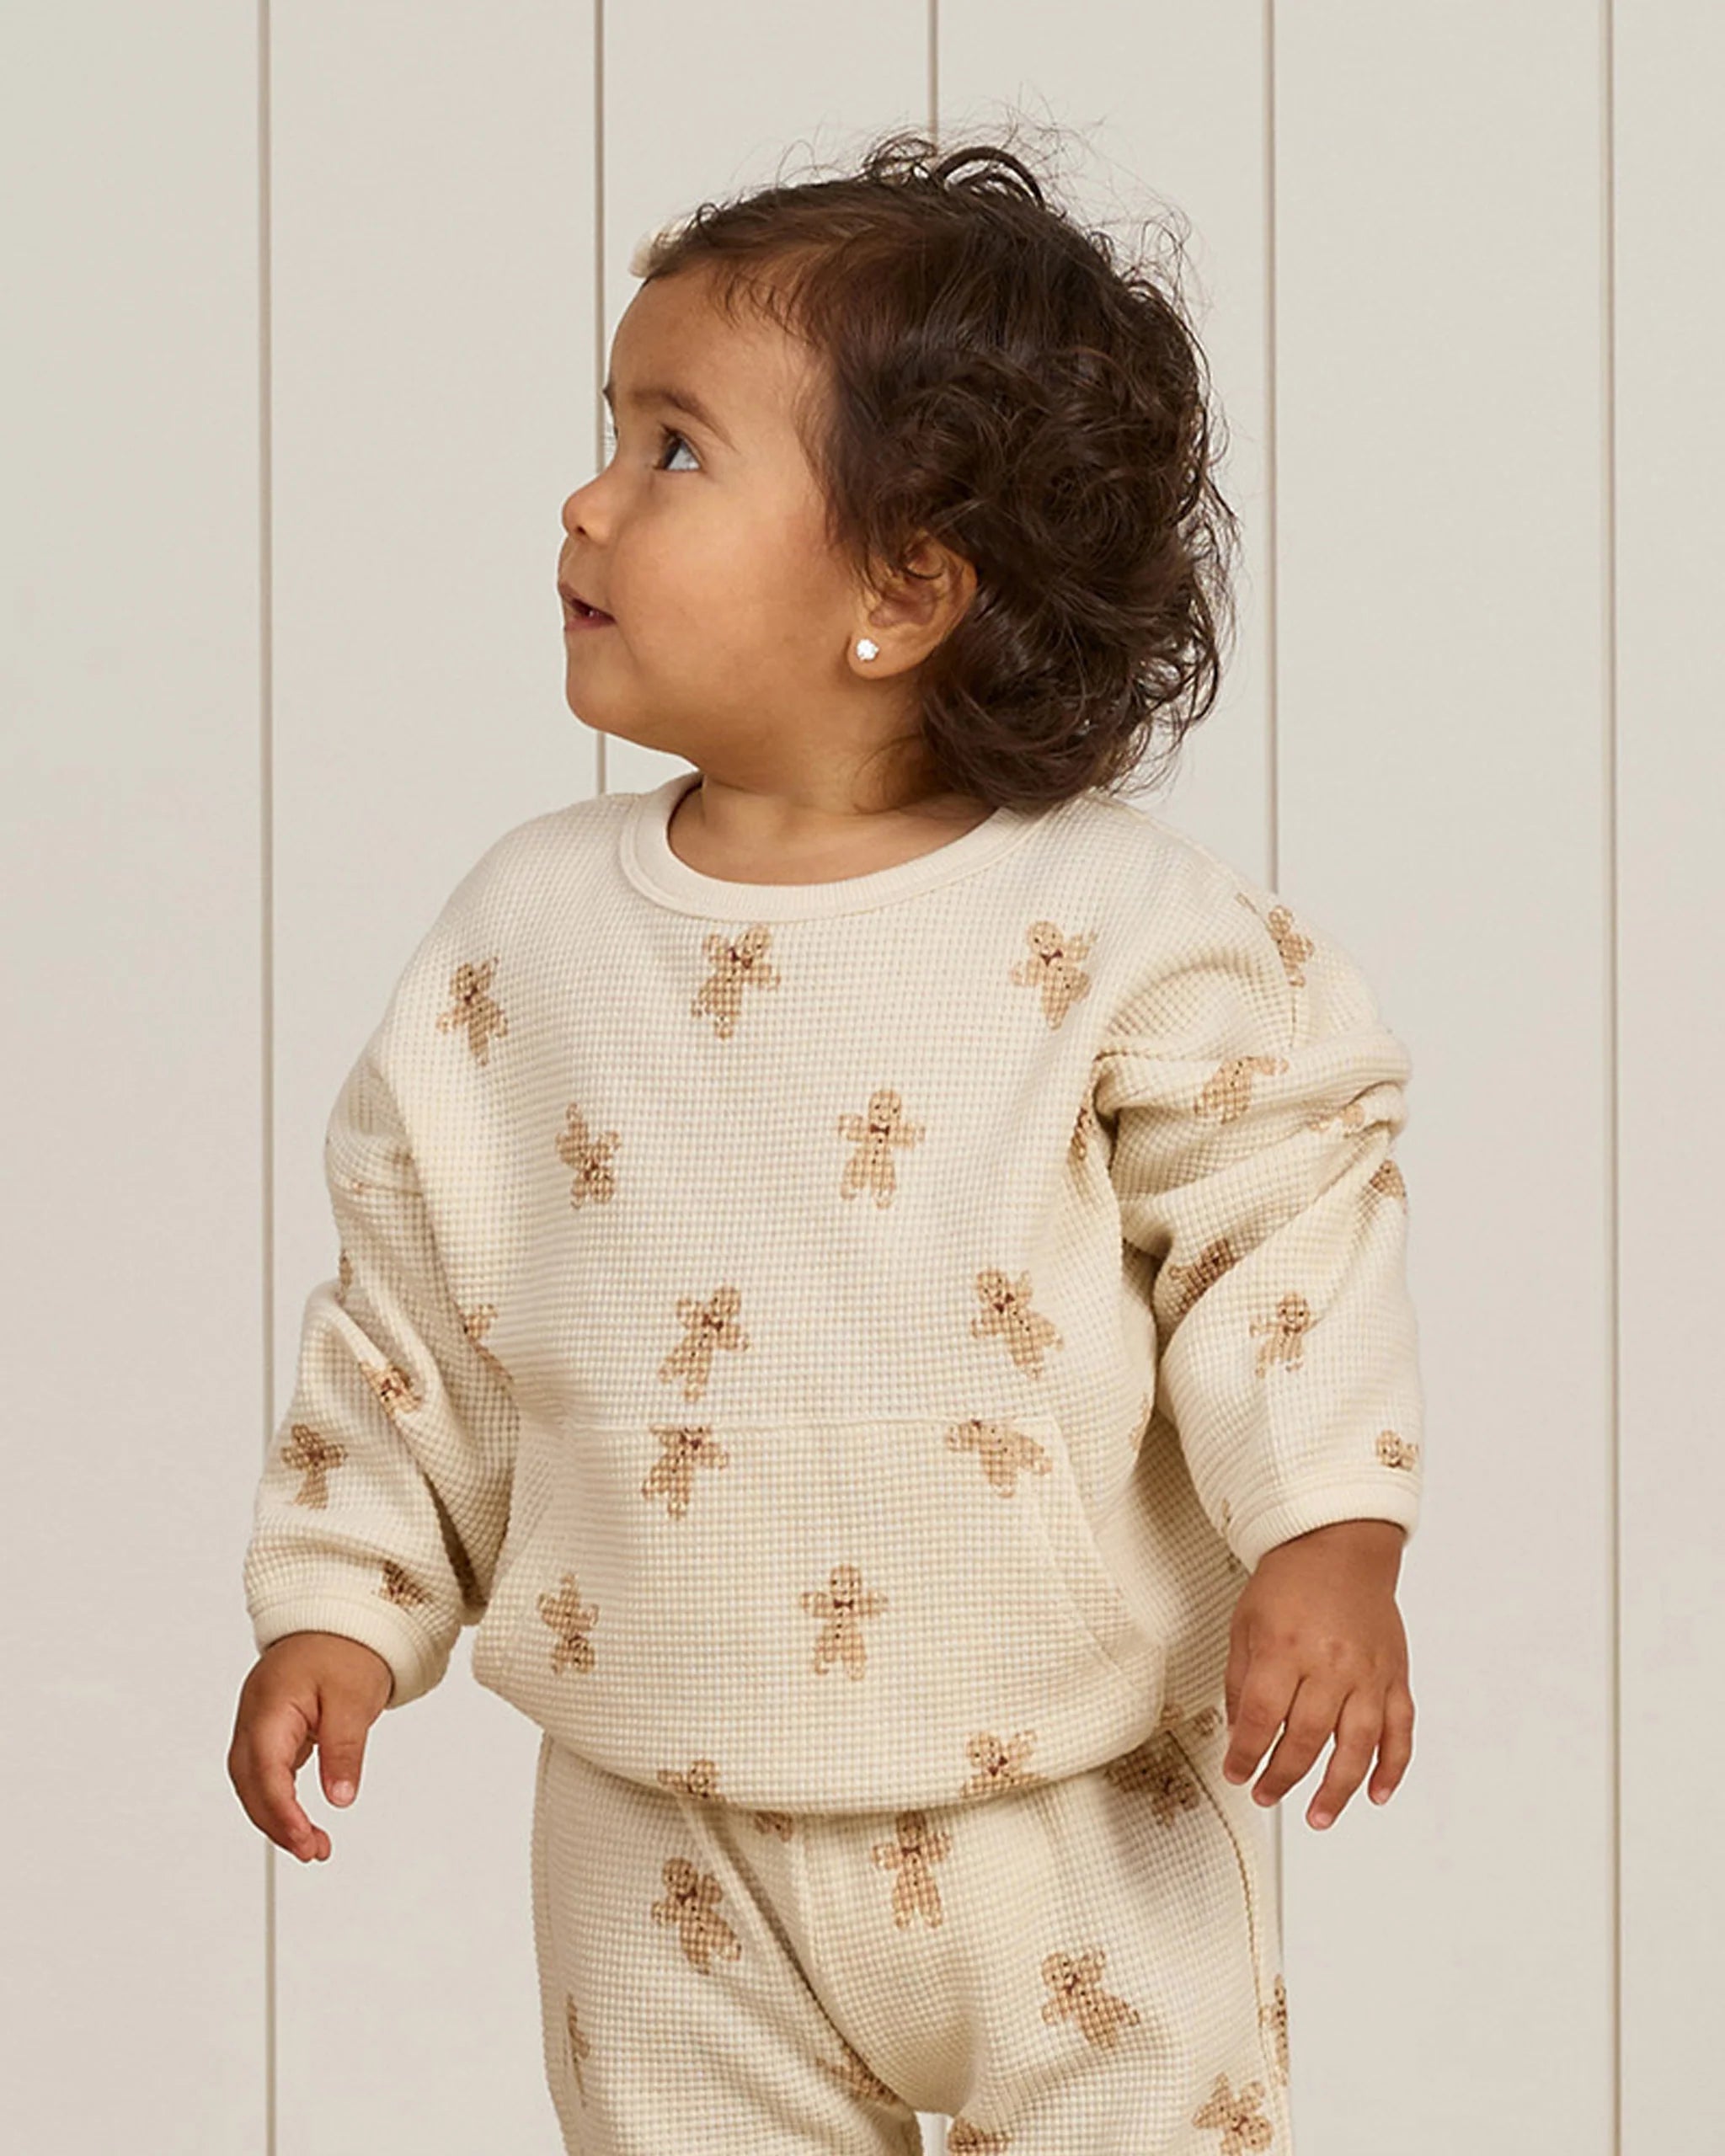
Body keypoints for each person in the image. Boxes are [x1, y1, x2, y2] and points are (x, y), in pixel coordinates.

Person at [227, 124, 1423, 2154]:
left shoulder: (1116, 927)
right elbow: (417, 1294)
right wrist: (341, 1597)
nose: (589, 501)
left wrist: (1330, 1526)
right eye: (612, 434)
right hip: (660, 1819)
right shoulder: (526, 934)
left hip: (1078, 1805)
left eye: (674, 449)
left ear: (905, 585)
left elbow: (1278, 1214)